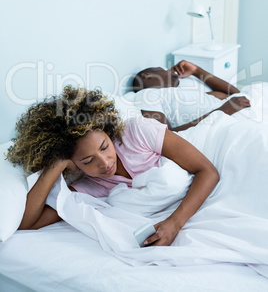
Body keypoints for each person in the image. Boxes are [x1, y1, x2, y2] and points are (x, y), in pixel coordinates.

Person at [7, 85, 219, 247]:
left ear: (107, 131)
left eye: (104, 146)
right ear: (73, 165)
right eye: (88, 161)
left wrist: (175, 223)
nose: (105, 162)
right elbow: (27, 223)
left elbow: (207, 171)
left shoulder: (137, 131)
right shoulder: (87, 186)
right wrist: (56, 165)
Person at [132, 60, 251, 131]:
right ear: (146, 75)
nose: (172, 71)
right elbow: (166, 137)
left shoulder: (178, 93)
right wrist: (221, 111)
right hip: (232, 121)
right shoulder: (147, 95)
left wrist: (196, 70)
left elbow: (235, 93)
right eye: (163, 70)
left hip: (246, 108)